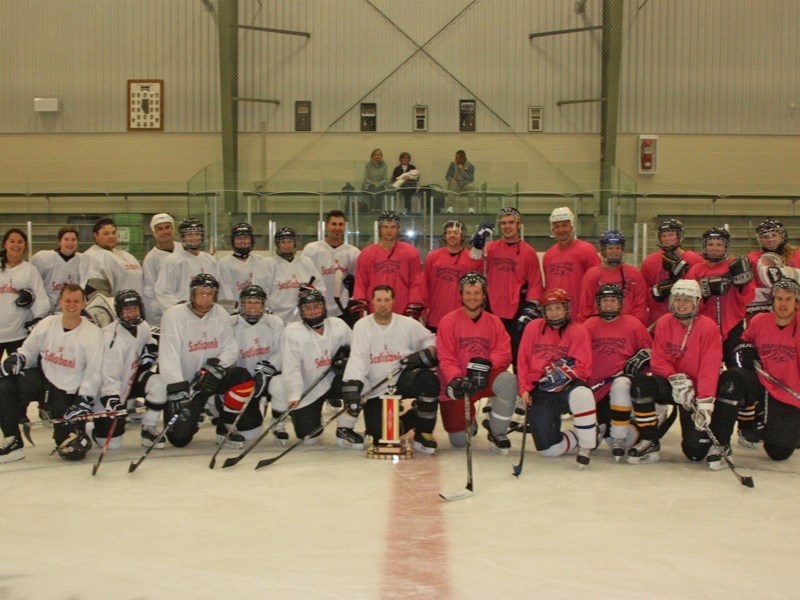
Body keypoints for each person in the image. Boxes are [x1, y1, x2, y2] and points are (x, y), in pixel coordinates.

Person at [627, 279, 729, 468]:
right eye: (677, 299)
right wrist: (675, 378)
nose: (681, 304)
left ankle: (717, 439)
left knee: (695, 453)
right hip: (674, 384)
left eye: (687, 300)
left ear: (697, 302)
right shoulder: (665, 322)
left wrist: (705, 402)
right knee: (642, 385)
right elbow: (658, 359)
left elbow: (710, 367)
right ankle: (650, 439)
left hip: (696, 391)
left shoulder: (708, 327)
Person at [156, 273, 262, 449]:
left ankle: (225, 424)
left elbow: (230, 348)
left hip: (210, 379)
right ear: (192, 294)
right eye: (201, 293)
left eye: (210, 293)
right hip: (187, 385)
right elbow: (168, 355)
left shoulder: (220, 313)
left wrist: (216, 366)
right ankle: (199, 410)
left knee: (241, 376)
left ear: (215, 296)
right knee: (179, 439)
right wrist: (178, 387)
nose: (205, 298)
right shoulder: (173, 315)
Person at [0, 284, 103, 463]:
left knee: (71, 449)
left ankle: (81, 429)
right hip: (44, 380)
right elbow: (29, 351)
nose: (72, 305)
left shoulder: (93, 334)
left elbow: (95, 371)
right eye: (68, 300)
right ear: (60, 302)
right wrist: (19, 358)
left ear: (84, 304)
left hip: (67, 391)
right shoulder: (47, 324)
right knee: (6, 385)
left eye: (76, 301)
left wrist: (84, 399)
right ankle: (13, 440)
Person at [342, 285, 439, 453]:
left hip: (402, 378)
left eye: (387, 300)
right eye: (378, 300)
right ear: (372, 302)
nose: (383, 304)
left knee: (428, 380)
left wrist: (426, 353)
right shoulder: (362, 325)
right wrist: (354, 384)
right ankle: (414, 416)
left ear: (394, 301)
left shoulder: (407, 323)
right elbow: (357, 358)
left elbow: (432, 339)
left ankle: (424, 432)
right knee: (380, 435)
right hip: (376, 386)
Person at [717, 278, 800, 461]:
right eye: (779, 298)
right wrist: (745, 351)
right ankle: (720, 442)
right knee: (732, 378)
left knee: (779, 452)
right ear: (772, 300)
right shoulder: (760, 321)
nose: (783, 304)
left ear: (796, 303)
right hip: (762, 383)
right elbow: (743, 343)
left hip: (790, 392)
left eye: (788, 299)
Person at [436, 272, 518, 454]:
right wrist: (457, 379)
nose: (472, 297)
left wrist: (486, 365)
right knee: (459, 441)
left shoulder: (494, 321)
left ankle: (497, 431)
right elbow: (445, 357)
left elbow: (504, 351)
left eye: (476, 293)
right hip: (458, 383)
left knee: (508, 381)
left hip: (484, 377)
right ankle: (469, 422)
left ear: (483, 295)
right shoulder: (448, 321)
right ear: (461, 294)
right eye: (468, 293)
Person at [518, 288, 597, 466]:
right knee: (549, 451)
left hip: (567, 386)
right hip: (540, 388)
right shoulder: (532, 328)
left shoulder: (579, 331)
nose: (554, 313)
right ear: (544, 311)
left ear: (566, 308)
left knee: (583, 394)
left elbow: (584, 368)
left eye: (558, 308)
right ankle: (582, 434)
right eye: (549, 308)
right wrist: (524, 388)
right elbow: (522, 360)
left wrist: (561, 374)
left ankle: (587, 443)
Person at [281, 289, 360, 448]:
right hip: (308, 387)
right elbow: (291, 366)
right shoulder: (293, 332)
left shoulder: (338, 325)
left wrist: (346, 359)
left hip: (335, 380)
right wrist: (295, 395)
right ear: (301, 312)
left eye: (316, 306)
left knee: (360, 385)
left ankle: (345, 427)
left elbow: (359, 351)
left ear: (324, 307)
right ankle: (315, 415)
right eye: (307, 308)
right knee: (308, 438)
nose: (312, 311)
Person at [583, 284, 652, 458]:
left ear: (620, 303)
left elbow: (650, 353)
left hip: (622, 388)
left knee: (621, 385)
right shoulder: (588, 325)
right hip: (596, 391)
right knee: (595, 438)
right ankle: (607, 428)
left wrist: (643, 359)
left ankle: (620, 436)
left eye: (613, 300)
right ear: (598, 303)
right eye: (604, 300)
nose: (608, 304)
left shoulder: (633, 324)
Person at [473, 206, 544, 365]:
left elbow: (535, 282)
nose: (507, 226)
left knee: (518, 355)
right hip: (492, 309)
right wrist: (477, 246)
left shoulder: (528, 252)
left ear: (519, 224)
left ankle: (521, 388)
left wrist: (531, 307)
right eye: (503, 223)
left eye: (511, 222)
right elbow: (474, 267)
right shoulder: (490, 248)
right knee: (491, 353)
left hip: (516, 312)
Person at [94, 289, 159, 450]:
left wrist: (151, 347)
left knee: (160, 384)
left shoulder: (143, 326)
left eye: (135, 308)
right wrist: (112, 399)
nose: (132, 313)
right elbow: (108, 376)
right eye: (127, 310)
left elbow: (148, 339)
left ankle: (148, 428)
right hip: (107, 391)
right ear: (119, 312)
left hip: (129, 381)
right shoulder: (111, 338)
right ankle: (88, 431)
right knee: (112, 445)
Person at [685, 227, 754, 367]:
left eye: (719, 244)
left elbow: (749, 297)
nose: (714, 248)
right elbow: (688, 303)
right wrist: (704, 293)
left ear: (726, 247)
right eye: (711, 244)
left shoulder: (735, 266)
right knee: (705, 366)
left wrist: (742, 285)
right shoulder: (696, 270)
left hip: (733, 325)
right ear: (705, 246)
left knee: (736, 367)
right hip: (704, 327)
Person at [231, 284, 289, 444]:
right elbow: (225, 352)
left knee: (281, 384)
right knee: (250, 434)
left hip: (269, 377)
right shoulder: (230, 323)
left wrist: (268, 368)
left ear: (264, 304)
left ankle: (278, 423)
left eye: (257, 302)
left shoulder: (275, 322)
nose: (252, 306)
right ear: (241, 304)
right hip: (243, 383)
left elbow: (283, 351)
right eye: (248, 302)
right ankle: (222, 416)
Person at [351, 210, 424, 319]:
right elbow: (361, 284)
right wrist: (362, 308)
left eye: (393, 227)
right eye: (385, 227)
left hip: (402, 313)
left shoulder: (411, 253)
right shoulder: (366, 254)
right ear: (379, 229)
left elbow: (416, 283)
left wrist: (412, 307)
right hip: (374, 313)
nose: (389, 231)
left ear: (398, 229)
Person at [640, 218, 704, 328]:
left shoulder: (696, 260)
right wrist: (656, 292)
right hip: (657, 319)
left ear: (680, 236)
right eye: (663, 236)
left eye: (670, 235)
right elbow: (643, 291)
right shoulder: (650, 261)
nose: (667, 239)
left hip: (689, 320)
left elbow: (703, 292)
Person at [421, 219, 482, 332]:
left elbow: (478, 287)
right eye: (449, 233)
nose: (452, 235)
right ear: (444, 236)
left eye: (456, 232)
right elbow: (424, 285)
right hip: (436, 316)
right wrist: (423, 311)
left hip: (462, 317)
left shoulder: (471, 258)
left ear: (462, 235)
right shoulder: (433, 257)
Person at [542, 206, 601, 321]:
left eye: (564, 225)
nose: (561, 230)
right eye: (557, 226)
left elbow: (597, 285)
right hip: (556, 319)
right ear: (552, 229)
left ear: (572, 226)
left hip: (581, 318)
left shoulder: (587, 250)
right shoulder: (548, 255)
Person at [301, 210, 361, 325]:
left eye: (341, 224)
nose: (337, 228)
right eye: (334, 224)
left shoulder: (353, 252)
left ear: (345, 226)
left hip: (342, 308)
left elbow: (359, 280)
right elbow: (302, 277)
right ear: (326, 225)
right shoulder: (312, 249)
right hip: (316, 308)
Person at [578, 230, 648, 324]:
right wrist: (587, 328)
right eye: (610, 248)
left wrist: (634, 326)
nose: (614, 251)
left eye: (617, 248)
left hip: (627, 326)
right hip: (599, 326)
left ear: (622, 250)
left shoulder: (634, 274)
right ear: (603, 251)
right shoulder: (592, 275)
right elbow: (585, 306)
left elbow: (640, 305)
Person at [0, 228, 50, 360]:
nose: (16, 245)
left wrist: (36, 319)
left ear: (25, 246)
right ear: (5, 244)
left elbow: (41, 299)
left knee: (17, 377)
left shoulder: (30, 270)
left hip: (19, 334)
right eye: (12, 241)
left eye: (20, 242)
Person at [260, 226, 325, 324]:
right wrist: (268, 314)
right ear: (277, 244)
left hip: (304, 318)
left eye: (290, 241)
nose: (287, 245)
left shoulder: (306, 262)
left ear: (295, 243)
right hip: (277, 318)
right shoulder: (267, 264)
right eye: (283, 242)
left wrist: (311, 292)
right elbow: (261, 292)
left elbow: (321, 289)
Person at [154, 217, 219, 313]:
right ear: (183, 237)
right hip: (183, 316)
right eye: (189, 235)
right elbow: (163, 292)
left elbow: (216, 289)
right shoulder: (172, 261)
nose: (194, 238)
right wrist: (181, 311)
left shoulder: (210, 260)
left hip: (207, 313)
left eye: (197, 234)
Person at [746, 218, 800, 316]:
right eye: (765, 237)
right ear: (760, 239)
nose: (770, 239)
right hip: (763, 309)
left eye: (774, 235)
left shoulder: (797, 255)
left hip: (794, 310)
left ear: (782, 235)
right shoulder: (752, 258)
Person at [79, 217, 143, 297]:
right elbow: (94, 292)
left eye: (113, 233)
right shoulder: (92, 256)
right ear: (96, 236)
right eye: (106, 233)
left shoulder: (126, 255)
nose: (111, 236)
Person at [141, 213, 182, 326]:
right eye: (160, 229)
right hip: (164, 314)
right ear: (154, 233)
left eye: (167, 227)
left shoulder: (184, 250)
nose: (165, 231)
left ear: (173, 229)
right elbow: (149, 292)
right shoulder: (151, 259)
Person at [30, 225, 84, 312]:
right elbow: (33, 281)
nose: (70, 243)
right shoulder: (43, 258)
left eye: (73, 239)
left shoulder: (83, 260)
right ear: (59, 241)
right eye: (66, 239)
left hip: (72, 311)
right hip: (47, 312)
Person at [217, 222, 266, 308]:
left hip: (258, 311)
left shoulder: (260, 260)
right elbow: (225, 292)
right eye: (239, 238)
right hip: (237, 313)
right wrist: (233, 311)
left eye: (246, 238)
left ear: (251, 240)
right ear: (233, 241)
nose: (243, 241)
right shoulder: (224, 264)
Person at [444, 149, 476, 213]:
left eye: (457, 157)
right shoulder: (452, 165)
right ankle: (450, 208)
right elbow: (447, 176)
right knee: (452, 185)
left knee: (471, 187)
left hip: (465, 185)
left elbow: (471, 179)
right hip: (456, 184)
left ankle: (471, 208)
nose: (455, 159)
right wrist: (451, 180)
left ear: (462, 158)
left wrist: (463, 171)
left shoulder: (470, 166)